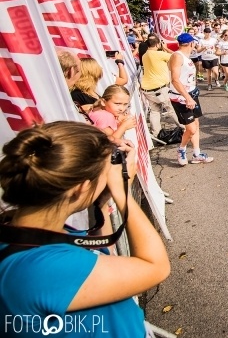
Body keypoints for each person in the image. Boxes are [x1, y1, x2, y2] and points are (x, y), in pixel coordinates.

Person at [0, 122, 170, 335]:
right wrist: (122, 192)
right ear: (81, 187)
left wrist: (99, 203)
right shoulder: (42, 269)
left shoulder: (29, 235)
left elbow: (99, 258)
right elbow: (155, 267)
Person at [169, 32, 214, 166]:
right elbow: (175, 80)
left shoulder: (186, 56)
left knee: (196, 125)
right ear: (191, 43)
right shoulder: (177, 56)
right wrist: (187, 98)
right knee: (191, 129)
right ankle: (181, 149)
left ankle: (196, 153)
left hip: (191, 94)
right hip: (181, 98)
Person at [140, 36, 183, 137]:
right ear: (157, 44)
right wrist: (165, 48)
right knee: (171, 108)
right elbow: (177, 57)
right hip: (159, 88)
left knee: (155, 111)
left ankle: (156, 133)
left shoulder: (145, 55)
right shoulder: (159, 54)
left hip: (147, 89)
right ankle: (184, 127)